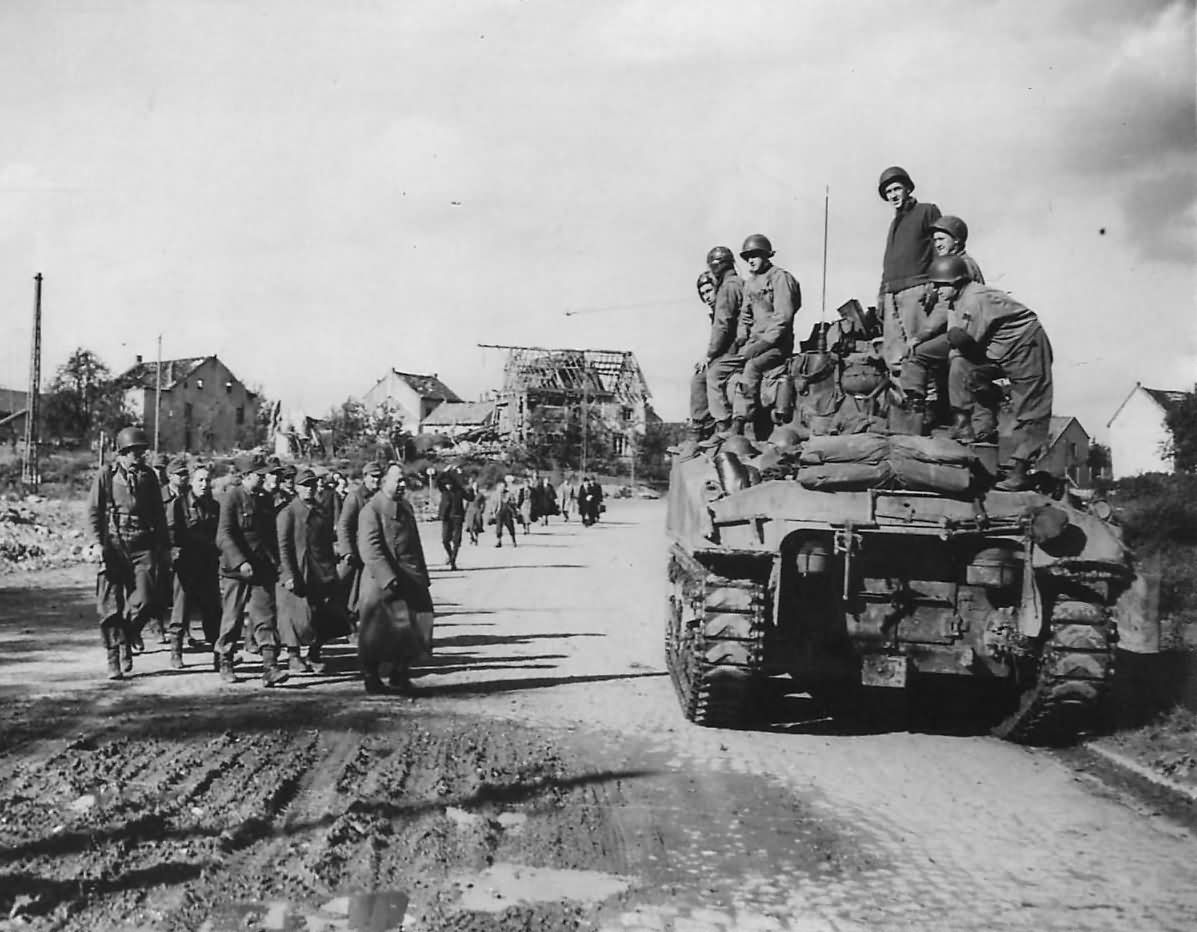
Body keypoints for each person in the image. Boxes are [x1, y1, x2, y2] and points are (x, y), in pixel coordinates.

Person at [914, 255, 1053, 490]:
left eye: (940, 285)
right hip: (999, 349)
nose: (936, 290)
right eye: (934, 285)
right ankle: (965, 428)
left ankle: (1019, 472)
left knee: (1031, 410)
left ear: (956, 282)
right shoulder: (956, 301)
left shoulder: (973, 300)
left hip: (1027, 346)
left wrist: (942, 343)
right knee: (964, 369)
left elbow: (962, 339)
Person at [86, 426, 168, 679]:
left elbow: (159, 514)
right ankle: (115, 658)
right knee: (110, 606)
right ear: (121, 453)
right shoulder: (106, 475)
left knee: (145, 598)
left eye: (142, 452)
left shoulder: (149, 477)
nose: (139, 457)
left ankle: (129, 635)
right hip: (113, 546)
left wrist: (164, 547)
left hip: (142, 546)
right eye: (133, 452)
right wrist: (96, 543)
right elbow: (93, 512)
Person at [356, 462, 433, 694]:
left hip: (409, 578)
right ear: (383, 483)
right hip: (382, 583)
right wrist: (388, 580)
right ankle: (371, 677)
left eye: (403, 480)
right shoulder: (371, 510)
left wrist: (422, 576)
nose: (402, 485)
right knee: (376, 633)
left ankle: (400, 673)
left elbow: (415, 546)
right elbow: (370, 549)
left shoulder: (406, 507)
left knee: (416, 625)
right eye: (397, 480)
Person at [214, 454, 289, 687]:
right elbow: (224, 535)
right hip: (236, 570)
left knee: (265, 616)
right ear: (246, 476)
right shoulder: (232, 497)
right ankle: (226, 660)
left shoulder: (265, 498)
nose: (264, 478)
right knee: (232, 618)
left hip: (261, 569)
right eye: (260, 475)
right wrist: (240, 561)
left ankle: (270, 667)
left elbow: (268, 536)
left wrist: (277, 564)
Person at [722, 234, 802, 435]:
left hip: (776, 346)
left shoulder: (780, 278)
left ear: (767, 256)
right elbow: (745, 317)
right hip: (753, 343)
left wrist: (764, 343)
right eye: (748, 256)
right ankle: (719, 423)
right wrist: (740, 340)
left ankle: (740, 422)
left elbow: (783, 317)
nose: (751, 260)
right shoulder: (750, 283)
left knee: (752, 366)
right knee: (721, 369)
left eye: (756, 255)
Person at [876, 166, 942, 375]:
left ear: (908, 189)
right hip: (891, 295)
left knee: (918, 350)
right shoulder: (894, 223)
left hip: (916, 290)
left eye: (896, 189)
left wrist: (936, 284)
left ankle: (928, 404)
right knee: (894, 357)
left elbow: (939, 248)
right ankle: (905, 403)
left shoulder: (927, 211)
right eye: (888, 192)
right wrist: (881, 296)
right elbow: (889, 263)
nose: (893, 195)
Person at [276, 467, 340, 674]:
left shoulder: (322, 511)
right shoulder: (288, 512)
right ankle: (293, 656)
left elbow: (327, 542)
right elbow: (283, 547)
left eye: (312, 484)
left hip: (320, 570)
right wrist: (288, 574)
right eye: (304, 485)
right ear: (296, 488)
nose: (309, 489)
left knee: (323, 615)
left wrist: (331, 567)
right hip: (298, 571)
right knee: (294, 615)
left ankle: (314, 654)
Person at [165, 457, 222, 668]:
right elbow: (169, 534)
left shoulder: (215, 506)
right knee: (181, 609)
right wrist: (175, 555)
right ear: (191, 481)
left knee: (213, 610)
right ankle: (175, 651)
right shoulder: (178, 505)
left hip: (208, 564)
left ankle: (220, 655)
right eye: (200, 480)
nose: (204, 485)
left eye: (207, 480)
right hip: (186, 564)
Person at [702, 246, 747, 435]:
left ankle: (721, 425)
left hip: (737, 348)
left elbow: (722, 325)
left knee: (712, 375)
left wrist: (709, 355)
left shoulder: (727, 288)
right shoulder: (740, 283)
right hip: (745, 346)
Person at [336, 461, 382, 631]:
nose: (376, 480)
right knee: (345, 591)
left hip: (374, 553)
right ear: (365, 477)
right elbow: (344, 526)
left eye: (379, 477)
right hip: (355, 554)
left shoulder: (381, 497)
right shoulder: (354, 497)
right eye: (373, 477)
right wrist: (347, 551)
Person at [688, 269, 718, 440]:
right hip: (722, 353)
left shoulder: (724, 306)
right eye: (703, 293)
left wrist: (709, 356)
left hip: (736, 353)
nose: (706, 296)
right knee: (699, 375)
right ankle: (701, 424)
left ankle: (702, 426)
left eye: (709, 291)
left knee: (701, 379)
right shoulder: (715, 311)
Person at [436, 466, 471, 570]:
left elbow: (470, 498)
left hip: (457, 517)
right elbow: (437, 480)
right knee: (445, 540)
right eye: (446, 484)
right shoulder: (444, 491)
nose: (448, 486)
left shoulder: (459, 491)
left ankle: (453, 561)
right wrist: (444, 471)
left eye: (450, 484)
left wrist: (471, 488)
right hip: (446, 517)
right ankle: (451, 556)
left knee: (456, 541)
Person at [488, 480, 519, 547]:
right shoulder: (495, 494)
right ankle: (499, 541)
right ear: (498, 487)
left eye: (503, 486)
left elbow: (514, 503)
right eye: (501, 487)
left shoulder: (508, 494)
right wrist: (492, 512)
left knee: (510, 526)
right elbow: (492, 504)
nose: (502, 488)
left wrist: (513, 508)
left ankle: (514, 541)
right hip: (498, 512)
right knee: (498, 527)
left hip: (507, 512)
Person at [464, 476, 485, 545]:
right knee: (470, 525)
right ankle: (471, 536)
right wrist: (465, 510)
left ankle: (476, 538)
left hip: (477, 510)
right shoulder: (469, 494)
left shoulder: (480, 495)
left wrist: (482, 509)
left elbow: (483, 503)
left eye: (476, 486)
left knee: (477, 525)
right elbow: (467, 502)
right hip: (470, 510)